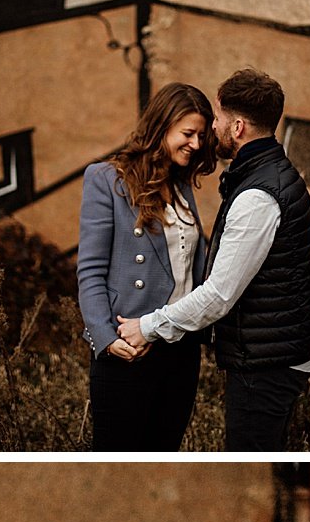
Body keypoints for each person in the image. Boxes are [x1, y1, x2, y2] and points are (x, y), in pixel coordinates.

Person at [117, 66, 310, 451]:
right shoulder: (270, 175)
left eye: (218, 119)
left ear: (238, 127)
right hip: (276, 352)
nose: (212, 128)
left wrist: (146, 327)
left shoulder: (257, 196)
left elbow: (218, 296)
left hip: (265, 367)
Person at [75, 82, 217, 451]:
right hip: (129, 349)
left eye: (202, 135)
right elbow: (90, 270)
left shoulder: (183, 184)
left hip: (181, 349)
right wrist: (104, 339)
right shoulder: (108, 180)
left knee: (164, 455)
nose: (196, 144)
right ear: (162, 127)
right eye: (188, 133)